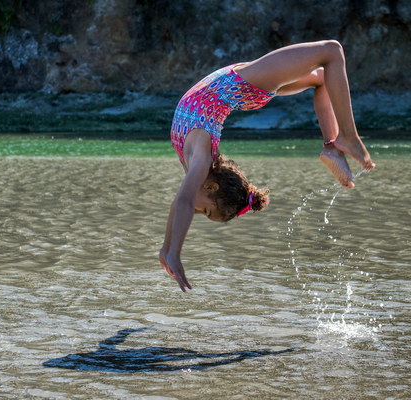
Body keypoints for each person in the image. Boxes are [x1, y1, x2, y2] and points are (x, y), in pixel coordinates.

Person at [159, 40, 375, 292]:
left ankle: (337, 143)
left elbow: (180, 203)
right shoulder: (201, 159)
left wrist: (167, 249)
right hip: (243, 85)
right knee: (331, 53)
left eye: (204, 213)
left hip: (239, 86)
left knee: (325, 68)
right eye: (205, 212)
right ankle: (340, 140)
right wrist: (173, 250)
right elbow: (183, 203)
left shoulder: (197, 164)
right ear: (212, 187)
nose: (195, 212)